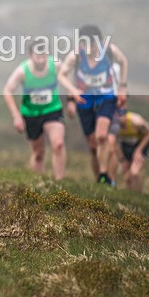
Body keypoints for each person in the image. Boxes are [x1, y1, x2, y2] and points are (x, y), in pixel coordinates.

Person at [58, 24, 128, 186]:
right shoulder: (76, 55)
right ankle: (99, 179)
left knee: (102, 136)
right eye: (85, 45)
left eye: (93, 44)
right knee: (92, 144)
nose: (89, 49)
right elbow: (62, 74)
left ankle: (105, 175)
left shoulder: (110, 50)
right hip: (85, 99)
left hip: (106, 96)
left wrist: (122, 87)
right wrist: (72, 91)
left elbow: (123, 61)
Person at [3, 44, 67, 180]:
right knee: (38, 153)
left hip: (52, 110)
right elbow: (7, 91)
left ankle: (60, 183)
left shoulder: (56, 65)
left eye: (43, 56)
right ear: (31, 56)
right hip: (31, 114)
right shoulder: (22, 71)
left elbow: (67, 78)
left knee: (58, 144)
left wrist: (72, 101)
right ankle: (39, 182)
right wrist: (17, 117)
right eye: (38, 57)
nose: (41, 60)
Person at [110, 108, 149, 192]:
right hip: (126, 146)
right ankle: (132, 195)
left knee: (134, 172)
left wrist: (139, 150)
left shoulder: (136, 121)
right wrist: (122, 160)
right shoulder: (114, 126)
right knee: (127, 177)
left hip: (140, 145)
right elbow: (114, 143)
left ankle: (138, 194)